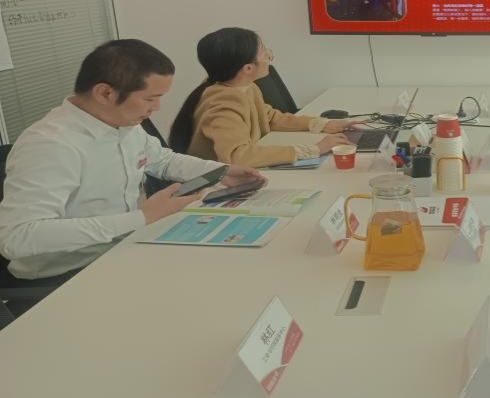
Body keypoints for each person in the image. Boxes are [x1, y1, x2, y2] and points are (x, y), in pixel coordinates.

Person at [0, 39, 264, 287]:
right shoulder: (50, 145)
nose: (157, 107)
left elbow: (162, 160)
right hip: (68, 276)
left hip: (127, 246)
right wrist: (141, 217)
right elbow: (18, 237)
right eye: (150, 98)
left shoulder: (120, 123)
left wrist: (219, 171)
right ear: (105, 93)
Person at [169, 27, 355, 168]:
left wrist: (323, 124)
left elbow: (269, 118)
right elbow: (237, 157)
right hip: (216, 184)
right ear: (248, 68)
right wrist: (313, 150)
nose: (269, 56)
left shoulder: (244, 87)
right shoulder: (223, 103)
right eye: (264, 52)